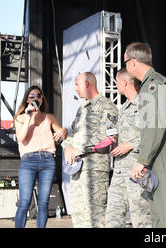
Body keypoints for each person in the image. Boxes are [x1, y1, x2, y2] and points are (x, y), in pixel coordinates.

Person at [124, 42, 166, 228]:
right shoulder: (148, 85)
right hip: (157, 156)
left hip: (164, 156)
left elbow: (153, 126)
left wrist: (142, 159)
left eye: (126, 62)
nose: (126, 68)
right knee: (159, 215)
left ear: (134, 62)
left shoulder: (154, 84)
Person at [61, 72, 118, 228]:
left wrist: (77, 149)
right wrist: (67, 148)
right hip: (78, 168)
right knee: (79, 214)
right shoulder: (82, 109)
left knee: (95, 216)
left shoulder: (107, 106)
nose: (75, 89)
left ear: (87, 84)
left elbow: (109, 137)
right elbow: (72, 132)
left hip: (95, 170)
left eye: (77, 85)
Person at [13, 85, 68, 228]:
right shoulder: (20, 118)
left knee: (43, 203)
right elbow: (21, 137)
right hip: (28, 161)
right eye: (32, 96)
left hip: (48, 160)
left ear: (42, 99)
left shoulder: (49, 117)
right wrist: (29, 117)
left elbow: (62, 132)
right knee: (24, 202)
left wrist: (64, 131)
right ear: (27, 100)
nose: (35, 98)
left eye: (38, 95)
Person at [105, 69, 152, 228]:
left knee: (141, 217)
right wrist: (114, 140)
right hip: (119, 170)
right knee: (113, 215)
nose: (116, 85)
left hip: (138, 169)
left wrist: (131, 145)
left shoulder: (146, 103)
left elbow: (154, 135)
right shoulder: (123, 108)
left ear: (125, 82)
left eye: (117, 81)